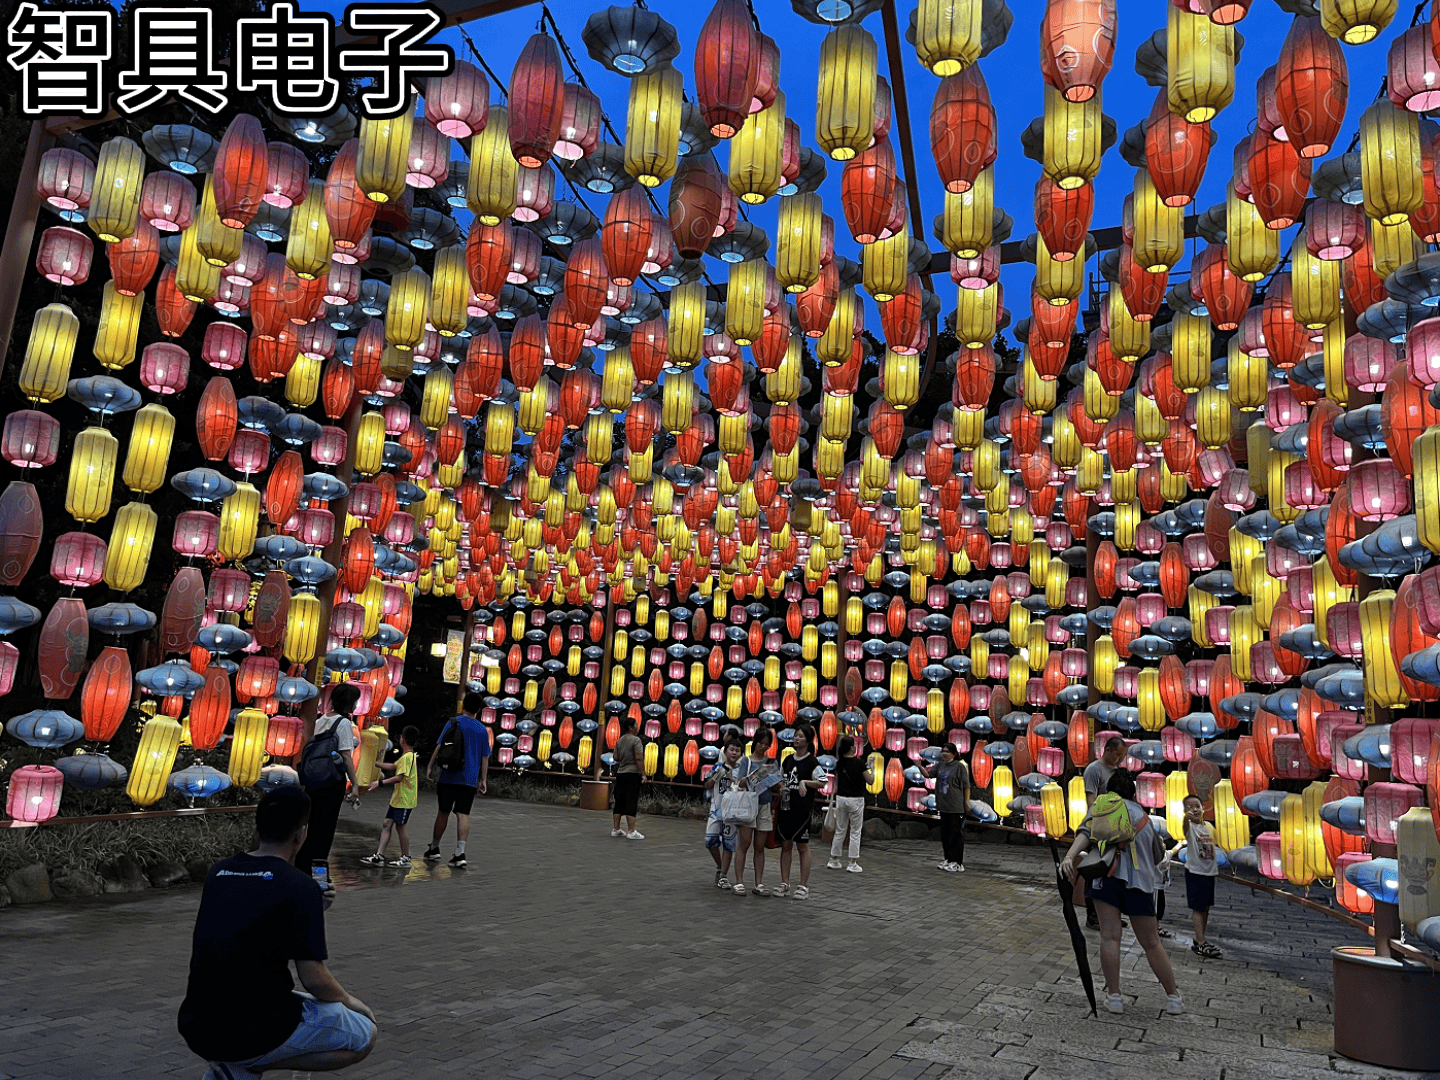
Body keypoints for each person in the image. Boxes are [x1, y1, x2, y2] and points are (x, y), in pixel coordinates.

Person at [178, 787, 377, 1080]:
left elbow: (252, 926)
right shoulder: (300, 887)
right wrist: (352, 1002)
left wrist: (310, 910)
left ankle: (237, 1068)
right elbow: (314, 979)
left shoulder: (219, 873)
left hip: (198, 1022)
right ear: (302, 834)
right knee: (363, 1035)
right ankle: (249, 1065)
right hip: (254, 1027)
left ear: (257, 829)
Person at [1059, 770, 1183, 1017]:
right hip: (1139, 884)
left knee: (1110, 937)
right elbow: (1159, 857)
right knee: (1151, 943)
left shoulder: (1102, 807)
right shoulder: (1145, 819)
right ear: (1133, 793)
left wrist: (1070, 856)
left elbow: (1085, 832)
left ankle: (1114, 997)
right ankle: (1174, 998)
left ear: (1109, 790)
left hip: (1107, 879)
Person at [296, 683, 363, 896]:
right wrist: (355, 784)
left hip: (313, 782)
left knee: (311, 828)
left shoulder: (321, 720)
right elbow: (346, 756)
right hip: (331, 785)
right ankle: (319, 879)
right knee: (324, 834)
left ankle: (301, 871)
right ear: (349, 702)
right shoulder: (343, 723)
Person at [423, 691, 491, 868]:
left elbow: (440, 745)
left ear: (463, 706)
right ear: (478, 710)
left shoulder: (453, 722)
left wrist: (430, 766)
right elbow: (485, 757)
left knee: (443, 812)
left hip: (448, 775)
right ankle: (460, 853)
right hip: (469, 779)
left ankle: (434, 849)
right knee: (463, 813)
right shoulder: (482, 730)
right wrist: (483, 779)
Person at [1079, 736, 1130, 929]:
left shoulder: (1119, 772)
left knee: (1114, 871)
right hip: (1099, 827)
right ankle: (1092, 915)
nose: (1120, 759)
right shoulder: (1094, 770)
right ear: (1107, 750)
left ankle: (1111, 914)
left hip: (1117, 828)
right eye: (1117, 754)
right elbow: (1091, 801)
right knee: (1096, 869)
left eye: (1123, 756)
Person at [773, 725, 827, 900]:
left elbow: (822, 781)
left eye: (801, 737)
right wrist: (780, 787)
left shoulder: (812, 761)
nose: (797, 739)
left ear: (808, 740)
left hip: (802, 810)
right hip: (786, 807)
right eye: (796, 736)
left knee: (802, 846)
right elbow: (781, 779)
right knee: (786, 845)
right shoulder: (788, 760)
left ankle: (803, 886)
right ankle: (784, 883)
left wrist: (805, 782)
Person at [1167, 794, 1223, 958]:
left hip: (1209, 872)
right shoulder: (1190, 827)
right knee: (1198, 908)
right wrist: (1186, 818)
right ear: (1185, 811)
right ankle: (1201, 942)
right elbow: (1185, 826)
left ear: (1203, 807)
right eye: (1189, 808)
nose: (1194, 810)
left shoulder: (1209, 827)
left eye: (1197, 806)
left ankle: (1200, 939)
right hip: (1195, 873)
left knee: (1205, 908)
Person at [361, 725, 420, 868]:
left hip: (404, 800)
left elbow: (399, 777)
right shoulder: (407, 757)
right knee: (387, 824)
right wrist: (374, 763)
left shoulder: (408, 758)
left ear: (403, 739)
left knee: (400, 827)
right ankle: (379, 856)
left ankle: (406, 858)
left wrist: (379, 783)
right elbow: (393, 766)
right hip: (398, 799)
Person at [732, 727, 781, 896]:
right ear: (755, 742)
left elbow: (776, 784)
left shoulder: (771, 763)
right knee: (744, 844)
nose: (763, 747)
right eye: (761, 743)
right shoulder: (746, 761)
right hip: (748, 804)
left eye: (766, 744)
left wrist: (777, 782)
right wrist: (755, 777)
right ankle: (739, 881)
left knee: (760, 846)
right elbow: (740, 782)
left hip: (765, 804)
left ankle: (759, 883)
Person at [827, 735, 874, 873]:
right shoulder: (859, 764)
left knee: (840, 830)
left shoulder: (839, 763)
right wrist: (871, 770)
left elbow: (836, 782)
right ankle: (852, 862)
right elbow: (870, 781)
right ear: (853, 748)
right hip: (856, 800)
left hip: (841, 798)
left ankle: (834, 859)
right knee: (855, 831)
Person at [702, 738, 745, 890]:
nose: (734, 752)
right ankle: (720, 866)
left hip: (732, 814)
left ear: (741, 753)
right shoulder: (718, 766)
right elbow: (706, 785)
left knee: (729, 845)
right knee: (710, 841)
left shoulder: (742, 770)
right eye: (731, 749)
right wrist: (715, 777)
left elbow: (746, 787)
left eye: (737, 750)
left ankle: (723, 876)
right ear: (725, 751)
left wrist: (734, 779)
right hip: (716, 811)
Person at [928, 743, 970, 872]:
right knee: (945, 833)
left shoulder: (959, 767)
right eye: (943, 751)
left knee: (955, 833)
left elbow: (966, 786)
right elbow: (928, 775)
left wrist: (966, 802)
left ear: (954, 753)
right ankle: (948, 858)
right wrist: (918, 766)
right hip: (943, 805)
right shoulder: (940, 765)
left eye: (947, 751)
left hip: (956, 806)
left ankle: (957, 862)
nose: (944, 754)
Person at [610, 715, 645, 840]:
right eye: (636, 724)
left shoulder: (620, 741)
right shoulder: (636, 740)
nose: (637, 726)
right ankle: (631, 831)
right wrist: (643, 773)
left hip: (621, 773)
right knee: (631, 801)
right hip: (632, 774)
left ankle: (616, 829)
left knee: (619, 800)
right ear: (631, 727)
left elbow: (615, 757)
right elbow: (639, 758)